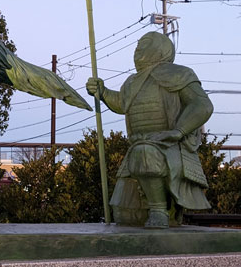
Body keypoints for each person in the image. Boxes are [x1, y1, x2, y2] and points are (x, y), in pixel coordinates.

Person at [86, 32, 213, 228]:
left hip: (169, 145)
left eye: (143, 45)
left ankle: (159, 210)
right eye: (137, 46)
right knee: (125, 214)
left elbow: (202, 105)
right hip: (139, 142)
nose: (137, 50)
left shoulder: (180, 74)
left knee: (145, 154)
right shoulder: (132, 81)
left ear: (161, 49)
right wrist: (102, 92)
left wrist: (178, 131)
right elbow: (122, 103)